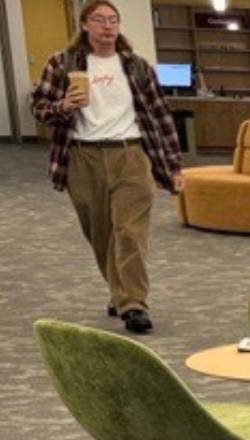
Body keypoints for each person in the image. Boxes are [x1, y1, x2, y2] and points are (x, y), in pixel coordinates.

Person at [30, 0, 184, 335]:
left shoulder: (136, 66)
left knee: (129, 232)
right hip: (83, 158)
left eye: (113, 20)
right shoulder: (62, 63)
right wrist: (63, 106)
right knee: (100, 234)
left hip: (130, 155)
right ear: (85, 25)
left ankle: (133, 304)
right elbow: (39, 109)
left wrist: (174, 166)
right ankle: (119, 289)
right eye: (99, 20)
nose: (107, 26)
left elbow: (161, 118)